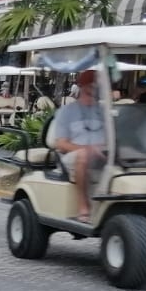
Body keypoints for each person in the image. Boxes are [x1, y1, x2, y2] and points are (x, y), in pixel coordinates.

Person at [47, 70, 106, 223]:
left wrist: (101, 148)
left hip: (101, 153)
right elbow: (61, 144)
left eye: (96, 85)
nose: (94, 88)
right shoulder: (67, 112)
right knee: (83, 156)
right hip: (72, 156)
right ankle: (83, 205)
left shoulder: (103, 111)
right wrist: (87, 150)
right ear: (82, 85)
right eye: (91, 84)